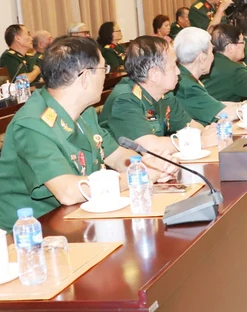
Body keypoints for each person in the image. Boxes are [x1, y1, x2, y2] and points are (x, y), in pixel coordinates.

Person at [0, 37, 177, 230]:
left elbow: (117, 156)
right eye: (103, 69)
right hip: (34, 233)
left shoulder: (85, 112)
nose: (105, 76)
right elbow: (67, 192)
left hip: (82, 216)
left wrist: (147, 166)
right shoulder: (33, 124)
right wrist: (137, 178)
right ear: (85, 77)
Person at [99, 36, 195, 156]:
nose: (178, 71)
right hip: (129, 171)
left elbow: (193, 128)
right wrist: (197, 142)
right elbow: (151, 148)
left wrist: (202, 136)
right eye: (173, 66)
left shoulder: (164, 94)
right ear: (153, 74)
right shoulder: (125, 100)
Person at [173, 27, 243, 126]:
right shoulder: (187, 87)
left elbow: (212, 104)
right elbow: (225, 114)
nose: (213, 57)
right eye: (211, 52)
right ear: (202, 58)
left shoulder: (185, 77)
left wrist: (242, 105)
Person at [203, 25, 247, 102]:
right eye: (242, 42)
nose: (245, 45)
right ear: (230, 47)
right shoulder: (233, 70)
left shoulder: (208, 62)